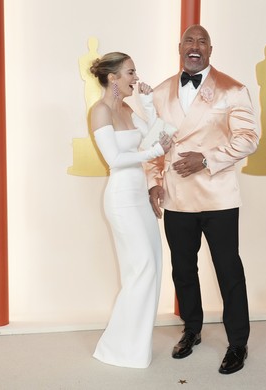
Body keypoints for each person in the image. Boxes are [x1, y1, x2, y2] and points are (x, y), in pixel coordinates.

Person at [145, 25, 259, 374]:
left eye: (202, 42)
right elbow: (152, 145)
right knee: (183, 270)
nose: (195, 47)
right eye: (189, 41)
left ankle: (238, 343)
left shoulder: (231, 89)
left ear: (210, 49)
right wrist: (153, 182)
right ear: (180, 47)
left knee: (229, 271)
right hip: (177, 198)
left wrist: (206, 159)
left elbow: (249, 138)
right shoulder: (161, 92)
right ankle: (191, 329)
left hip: (219, 197)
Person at [88, 52, 172, 368]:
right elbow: (114, 159)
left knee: (152, 266)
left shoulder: (127, 107)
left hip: (139, 196)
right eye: (130, 73)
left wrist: (149, 106)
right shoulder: (99, 112)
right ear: (112, 77)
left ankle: (133, 346)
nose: (136, 78)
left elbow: (159, 135)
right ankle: (117, 348)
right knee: (142, 268)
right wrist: (153, 150)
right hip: (121, 199)